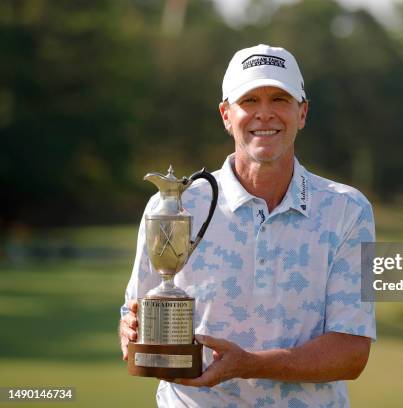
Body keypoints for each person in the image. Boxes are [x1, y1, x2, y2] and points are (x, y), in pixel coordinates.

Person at [119, 44, 376, 407]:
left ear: (302, 113)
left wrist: (249, 365)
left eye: (280, 99)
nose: (265, 114)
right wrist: (127, 331)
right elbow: (134, 312)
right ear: (226, 115)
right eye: (250, 100)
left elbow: (352, 351)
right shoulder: (173, 205)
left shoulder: (349, 210)